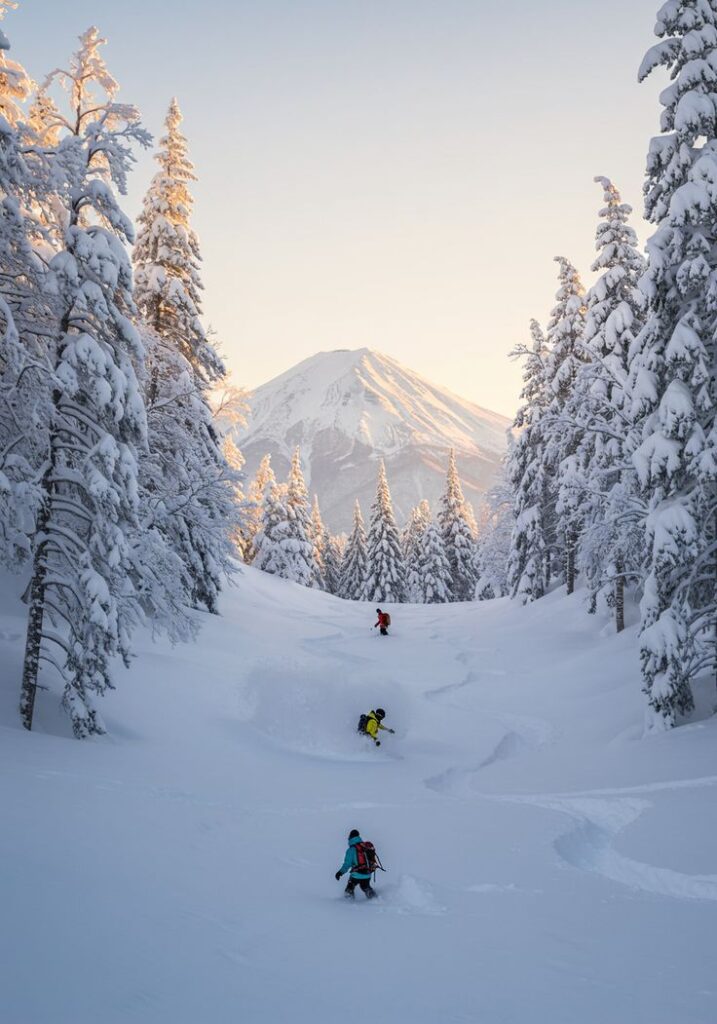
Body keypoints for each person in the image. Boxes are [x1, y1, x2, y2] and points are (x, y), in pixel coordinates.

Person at [335, 829, 377, 899]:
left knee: (350, 888)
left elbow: (347, 864)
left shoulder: (351, 850)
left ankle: (348, 905)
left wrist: (340, 872)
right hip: (367, 873)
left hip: (356, 875)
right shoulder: (364, 846)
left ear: (350, 837)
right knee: (365, 887)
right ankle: (376, 899)